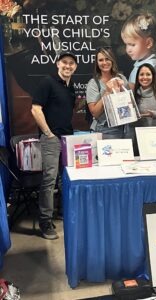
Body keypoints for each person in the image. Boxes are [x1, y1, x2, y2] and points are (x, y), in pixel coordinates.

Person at [31, 51, 77, 240]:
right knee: (49, 180)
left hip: (67, 138)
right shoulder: (47, 82)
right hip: (52, 139)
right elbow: (35, 109)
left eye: (71, 64)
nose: (68, 66)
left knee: (63, 179)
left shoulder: (70, 87)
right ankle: (45, 222)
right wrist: (49, 134)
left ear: (75, 67)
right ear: (58, 64)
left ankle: (60, 212)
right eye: (64, 63)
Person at [86, 47, 129, 139]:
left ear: (112, 60)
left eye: (107, 59)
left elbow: (129, 105)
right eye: (101, 60)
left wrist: (122, 89)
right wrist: (107, 92)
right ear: (97, 63)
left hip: (125, 127)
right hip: (105, 129)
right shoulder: (93, 83)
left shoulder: (121, 78)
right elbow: (95, 113)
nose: (104, 63)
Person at [121, 13, 156, 87]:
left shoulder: (151, 67)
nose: (128, 50)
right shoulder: (143, 62)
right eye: (126, 44)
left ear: (148, 43)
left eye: (132, 44)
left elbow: (142, 93)